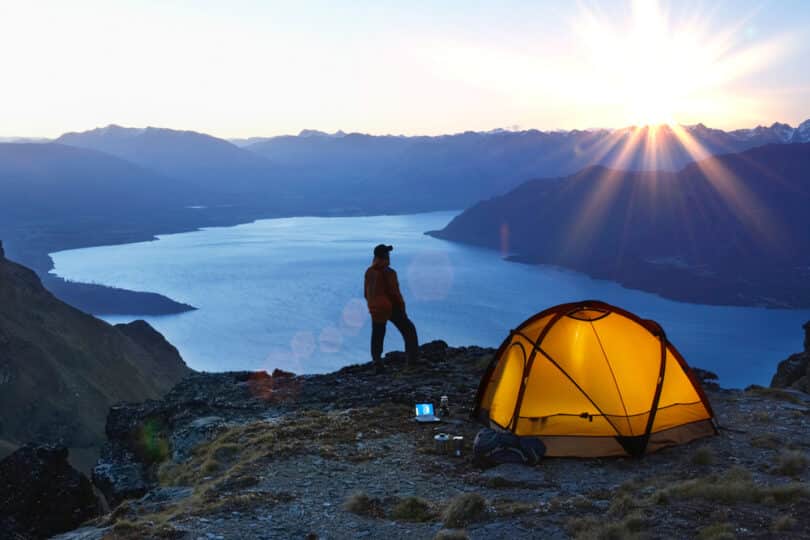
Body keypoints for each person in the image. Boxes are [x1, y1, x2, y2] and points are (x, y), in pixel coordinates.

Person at [364, 244, 419, 371]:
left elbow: (366, 292)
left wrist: (372, 305)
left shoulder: (369, 271)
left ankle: (377, 362)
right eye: (387, 253)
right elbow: (395, 293)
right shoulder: (389, 272)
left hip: (375, 308)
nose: (389, 255)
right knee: (409, 330)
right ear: (384, 256)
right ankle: (413, 361)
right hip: (390, 307)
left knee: (377, 334)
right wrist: (402, 309)